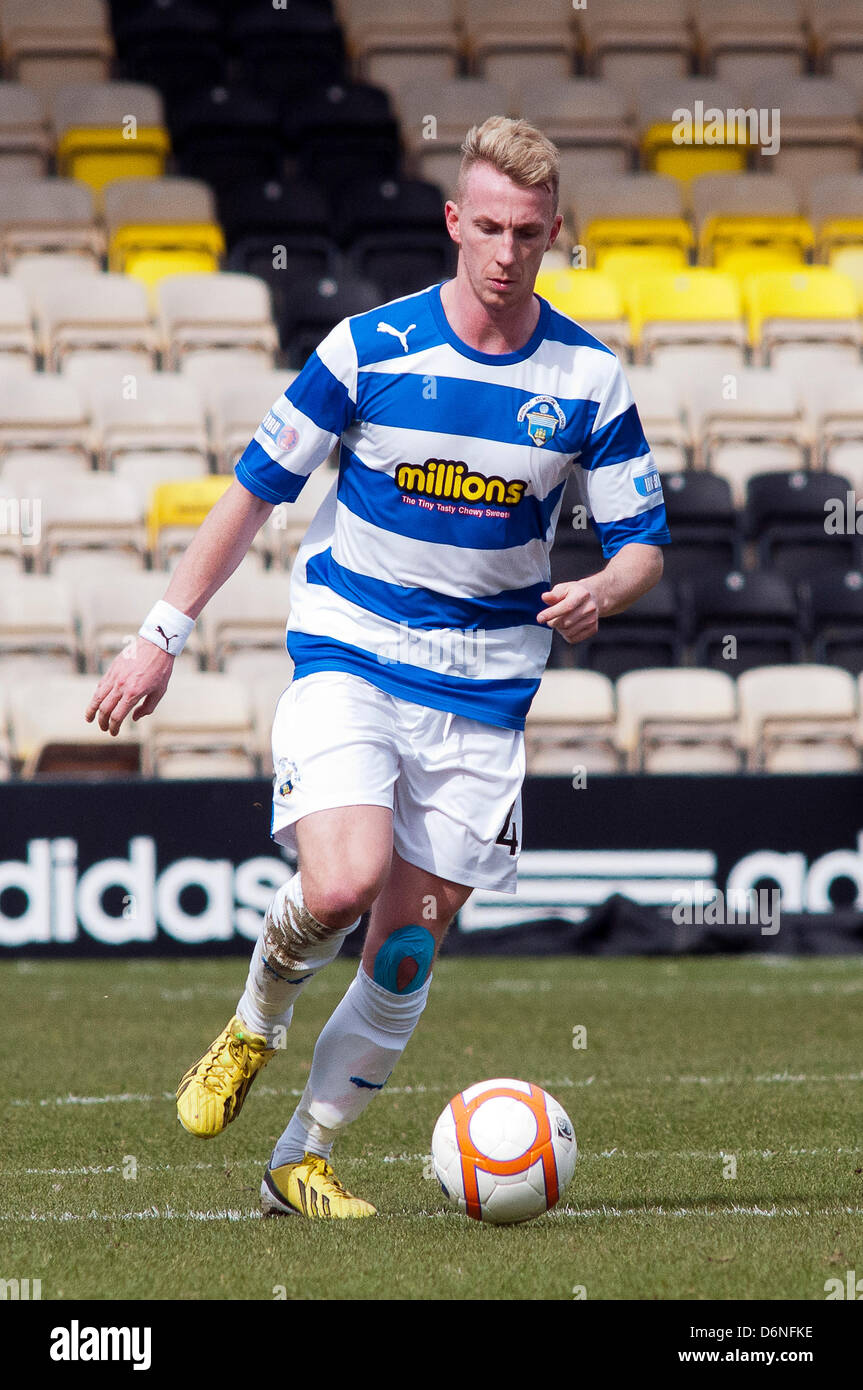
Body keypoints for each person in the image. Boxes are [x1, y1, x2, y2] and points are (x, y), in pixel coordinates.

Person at [85, 117, 670, 1219]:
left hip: (487, 689)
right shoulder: (367, 349)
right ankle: (257, 1015)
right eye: (487, 227)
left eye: (529, 234)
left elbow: (643, 540)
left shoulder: (588, 376)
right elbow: (253, 493)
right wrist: (159, 635)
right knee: (341, 884)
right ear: (454, 221)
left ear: (554, 235)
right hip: (353, 653)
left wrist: (603, 587)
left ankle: (300, 1156)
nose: (505, 251)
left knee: (401, 952)